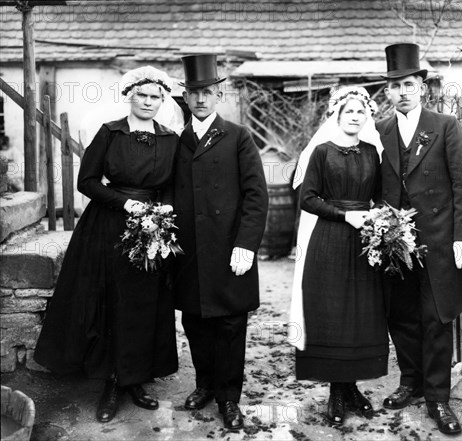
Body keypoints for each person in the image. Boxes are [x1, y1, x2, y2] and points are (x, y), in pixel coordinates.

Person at [34, 66, 180, 423]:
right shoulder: (110, 133)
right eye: (141, 95)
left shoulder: (170, 139)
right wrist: (124, 203)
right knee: (111, 302)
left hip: (151, 229)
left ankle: (136, 380)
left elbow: (176, 183)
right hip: (109, 226)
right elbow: (87, 181)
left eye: (154, 97)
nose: (147, 102)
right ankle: (111, 384)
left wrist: (164, 209)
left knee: (144, 303)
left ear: (163, 101)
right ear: (130, 96)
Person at [377, 43, 462, 435]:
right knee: (400, 317)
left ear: (421, 86)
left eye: (409, 84)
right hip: (394, 246)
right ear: (387, 91)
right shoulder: (380, 131)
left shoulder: (445, 126)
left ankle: (437, 398)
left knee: (436, 319)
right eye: (395, 86)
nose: (402, 92)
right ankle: (410, 382)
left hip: (438, 242)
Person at [172, 54, 268, 431]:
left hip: (230, 251)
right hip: (190, 252)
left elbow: (255, 196)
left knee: (230, 325)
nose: (200, 99)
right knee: (195, 321)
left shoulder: (238, 136)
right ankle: (205, 384)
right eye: (193, 93)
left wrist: (246, 244)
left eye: (207, 92)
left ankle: (229, 398)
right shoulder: (177, 141)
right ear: (185, 97)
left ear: (218, 94)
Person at [290, 86, 388, 426]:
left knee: (359, 313)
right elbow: (308, 199)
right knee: (331, 312)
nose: (356, 117)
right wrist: (345, 215)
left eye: (361, 112)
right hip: (330, 238)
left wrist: (377, 220)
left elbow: (379, 197)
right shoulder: (321, 152)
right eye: (349, 112)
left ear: (367, 118)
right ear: (337, 115)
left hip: (364, 242)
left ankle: (351, 389)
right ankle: (336, 390)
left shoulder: (373, 154)